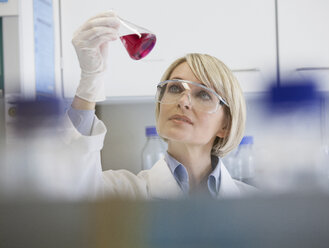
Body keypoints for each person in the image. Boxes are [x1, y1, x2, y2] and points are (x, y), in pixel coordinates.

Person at [64, 10, 257, 199]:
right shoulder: (122, 194)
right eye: (175, 88)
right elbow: (74, 192)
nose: (183, 101)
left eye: (204, 94)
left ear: (225, 125)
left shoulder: (254, 206)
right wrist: (90, 81)